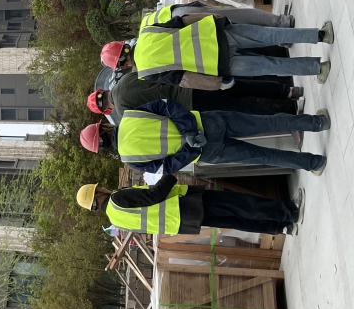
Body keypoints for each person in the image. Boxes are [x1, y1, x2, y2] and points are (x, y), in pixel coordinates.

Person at [80, 100, 330, 175]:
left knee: (264, 156)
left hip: (207, 152)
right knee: (266, 123)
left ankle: (314, 163)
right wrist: (189, 131)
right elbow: (168, 105)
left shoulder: (131, 160)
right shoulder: (130, 115)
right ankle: (317, 122)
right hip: (208, 123)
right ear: (105, 129)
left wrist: (191, 148)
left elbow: (167, 167)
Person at [100, 14, 334, 87]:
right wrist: (215, 18)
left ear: (122, 65)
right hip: (218, 34)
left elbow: (184, 79)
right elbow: (184, 20)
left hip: (220, 64)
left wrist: (218, 83)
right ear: (125, 45)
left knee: (271, 66)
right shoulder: (148, 32)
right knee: (269, 35)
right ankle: (320, 35)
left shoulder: (147, 73)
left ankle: (318, 67)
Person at [76, 177, 305, 237]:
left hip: (184, 221)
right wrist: (169, 173)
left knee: (235, 220)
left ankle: (281, 228)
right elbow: (154, 196)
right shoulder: (118, 198)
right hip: (186, 204)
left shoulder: (116, 220)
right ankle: (290, 212)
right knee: (240, 205)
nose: (103, 186)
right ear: (98, 193)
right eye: (99, 188)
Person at [88, 75, 301, 123]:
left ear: (106, 110)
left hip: (189, 104)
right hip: (191, 82)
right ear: (103, 91)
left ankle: (287, 116)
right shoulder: (125, 79)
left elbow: (157, 118)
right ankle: (289, 91)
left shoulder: (124, 111)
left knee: (240, 108)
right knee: (241, 86)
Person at [139, 1, 296, 32]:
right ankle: (282, 27)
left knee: (239, 26)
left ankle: (282, 27)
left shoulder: (144, 38)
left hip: (185, 21)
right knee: (239, 16)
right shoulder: (145, 23)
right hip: (183, 12)